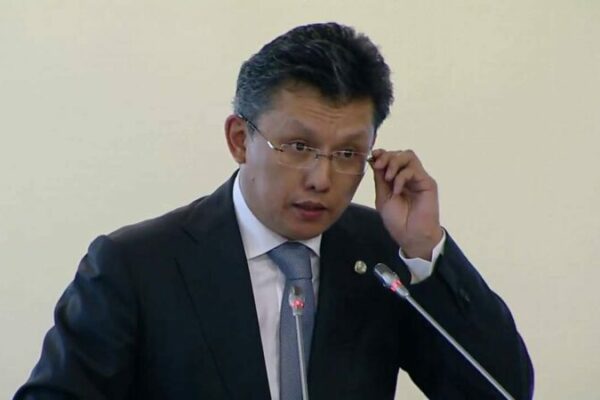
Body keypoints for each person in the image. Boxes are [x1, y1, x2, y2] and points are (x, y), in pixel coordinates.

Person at [14, 22, 534, 400]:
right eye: (298, 147)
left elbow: (502, 391)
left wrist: (424, 250)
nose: (321, 178)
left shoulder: (383, 256)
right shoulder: (135, 266)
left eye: (348, 153)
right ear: (240, 140)